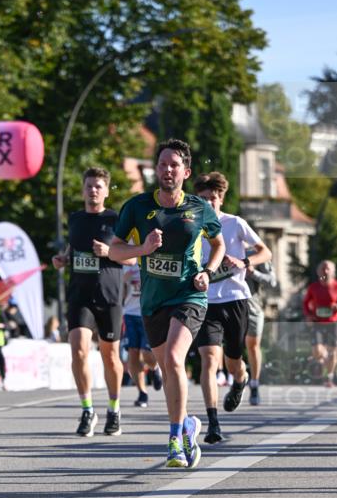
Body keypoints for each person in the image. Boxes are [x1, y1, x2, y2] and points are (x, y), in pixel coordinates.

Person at [109, 139, 225, 468]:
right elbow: (115, 251)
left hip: (189, 295)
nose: (168, 169)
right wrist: (142, 250)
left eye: (174, 165)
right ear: (156, 169)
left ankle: (174, 439)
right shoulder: (136, 206)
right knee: (168, 369)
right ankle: (188, 423)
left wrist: (208, 271)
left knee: (174, 358)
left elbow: (218, 244)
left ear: (185, 172)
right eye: (162, 164)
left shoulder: (199, 209)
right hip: (152, 301)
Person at [191, 172, 271, 442]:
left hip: (236, 299)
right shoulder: (191, 227)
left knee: (234, 361)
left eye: (212, 198)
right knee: (210, 359)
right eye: (202, 199)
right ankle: (213, 422)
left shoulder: (235, 224)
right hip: (205, 302)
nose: (208, 203)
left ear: (220, 199)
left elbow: (265, 251)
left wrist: (244, 263)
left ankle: (240, 380)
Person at [52, 167, 125, 437]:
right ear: (83, 190)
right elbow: (73, 248)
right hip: (80, 295)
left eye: (98, 186)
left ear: (106, 190)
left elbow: (133, 256)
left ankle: (114, 408)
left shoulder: (117, 219)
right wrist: (63, 258)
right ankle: (87, 409)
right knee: (79, 350)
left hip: (109, 296)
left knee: (110, 355)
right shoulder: (75, 219)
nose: (93, 190)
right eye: (89, 186)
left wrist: (110, 252)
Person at [121, 261, 163, 407]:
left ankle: (155, 368)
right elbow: (119, 288)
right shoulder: (126, 262)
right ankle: (142, 393)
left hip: (148, 313)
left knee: (147, 354)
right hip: (129, 313)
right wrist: (123, 280)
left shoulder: (151, 259)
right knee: (132, 352)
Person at [302, 261, 337, 387]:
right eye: (323, 269)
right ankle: (324, 361)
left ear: (333, 271)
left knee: (333, 352)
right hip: (317, 323)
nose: (326, 271)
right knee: (317, 351)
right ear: (319, 272)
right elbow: (306, 303)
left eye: (328, 269)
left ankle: (329, 377)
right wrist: (308, 315)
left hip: (332, 323)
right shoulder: (314, 287)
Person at [244, 258, 277, 405]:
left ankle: (254, 383)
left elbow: (272, 281)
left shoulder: (256, 252)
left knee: (252, 345)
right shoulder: (220, 246)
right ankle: (238, 378)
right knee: (229, 347)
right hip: (227, 307)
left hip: (252, 308)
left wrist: (253, 272)